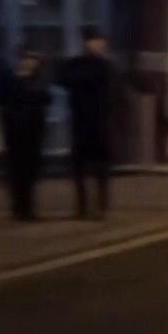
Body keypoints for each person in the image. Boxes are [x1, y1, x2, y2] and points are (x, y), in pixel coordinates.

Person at [57, 25, 124, 220]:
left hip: (101, 121)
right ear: (87, 43)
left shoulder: (106, 66)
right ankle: (82, 206)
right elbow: (62, 80)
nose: (99, 45)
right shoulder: (77, 65)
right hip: (82, 120)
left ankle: (101, 205)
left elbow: (116, 92)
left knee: (101, 167)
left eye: (100, 41)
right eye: (95, 41)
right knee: (80, 167)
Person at [0, 47, 52, 221]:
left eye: (34, 59)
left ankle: (29, 208)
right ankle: (18, 208)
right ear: (21, 60)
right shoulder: (8, 78)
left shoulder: (39, 79)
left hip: (34, 130)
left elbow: (47, 99)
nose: (31, 62)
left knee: (31, 171)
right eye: (28, 58)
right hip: (14, 129)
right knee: (16, 170)